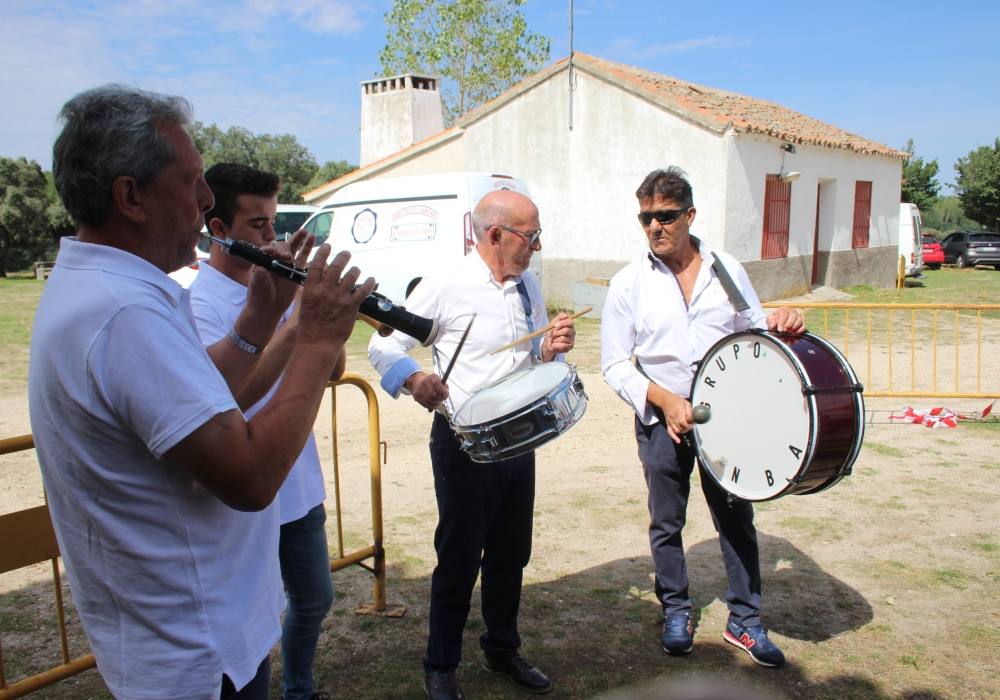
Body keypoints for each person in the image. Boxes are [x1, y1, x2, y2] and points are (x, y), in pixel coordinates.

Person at [28, 84, 375, 700]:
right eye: (191, 182)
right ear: (130, 196)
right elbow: (249, 478)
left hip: (191, 637)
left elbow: (203, 399)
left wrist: (259, 323)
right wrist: (316, 338)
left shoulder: (110, 290)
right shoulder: (123, 310)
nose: (207, 199)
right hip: (194, 653)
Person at [368, 190, 576, 699]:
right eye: (531, 235)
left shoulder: (528, 284)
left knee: (511, 552)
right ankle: (440, 664)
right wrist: (415, 380)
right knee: (459, 555)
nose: (537, 245)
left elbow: (527, 357)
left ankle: (502, 648)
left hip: (517, 440)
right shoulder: (446, 284)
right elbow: (383, 343)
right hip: (465, 442)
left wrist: (547, 348)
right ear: (496, 235)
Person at [600, 167, 804, 668]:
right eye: (646, 217)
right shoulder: (628, 283)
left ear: (690, 215)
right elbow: (612, 363)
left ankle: (746, 620)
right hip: (659, 420)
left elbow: (755, 331)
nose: (655, 227)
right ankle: (676, 610)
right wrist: (662, 400)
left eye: (666, 217)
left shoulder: (727, 270)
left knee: (736, 518)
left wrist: (781, 322)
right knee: (666, 522)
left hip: (726, 421)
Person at [190, 163, 337, 700]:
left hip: (296, 479)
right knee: (252, 619)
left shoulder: (277, 281)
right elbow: (229, 397)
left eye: (274, 224)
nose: (272, 239)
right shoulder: (199, 303)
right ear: (219, 230)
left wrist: (316, 310)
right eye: (258, 226)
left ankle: (298, 689)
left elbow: (334, 369)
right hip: (246, 484)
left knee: (315, 598)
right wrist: (291, 322)